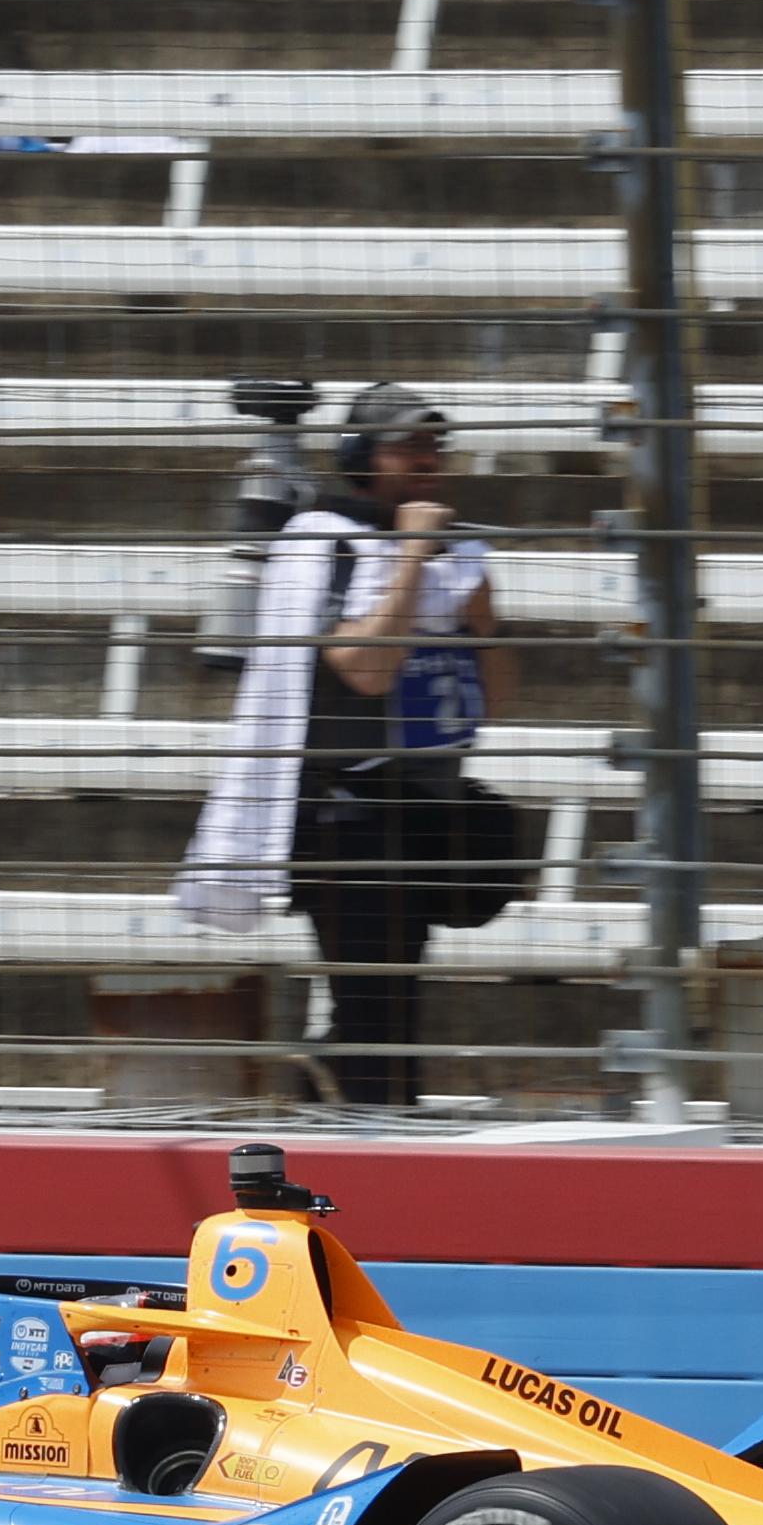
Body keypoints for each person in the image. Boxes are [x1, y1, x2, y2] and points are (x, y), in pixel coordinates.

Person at [172, 380, 526, 1111]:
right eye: (408, 444)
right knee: (377, 1013)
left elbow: (496, 698)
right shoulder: (330, 539)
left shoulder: (450, 560)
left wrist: (482, 617)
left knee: (387, 1003)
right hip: (346, 816)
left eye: (436, 445)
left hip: (418, 806)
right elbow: (363, 667)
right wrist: (409, 557)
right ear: (365, 455)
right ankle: (347, 1122)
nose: (428, 458)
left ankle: (328, 1101)